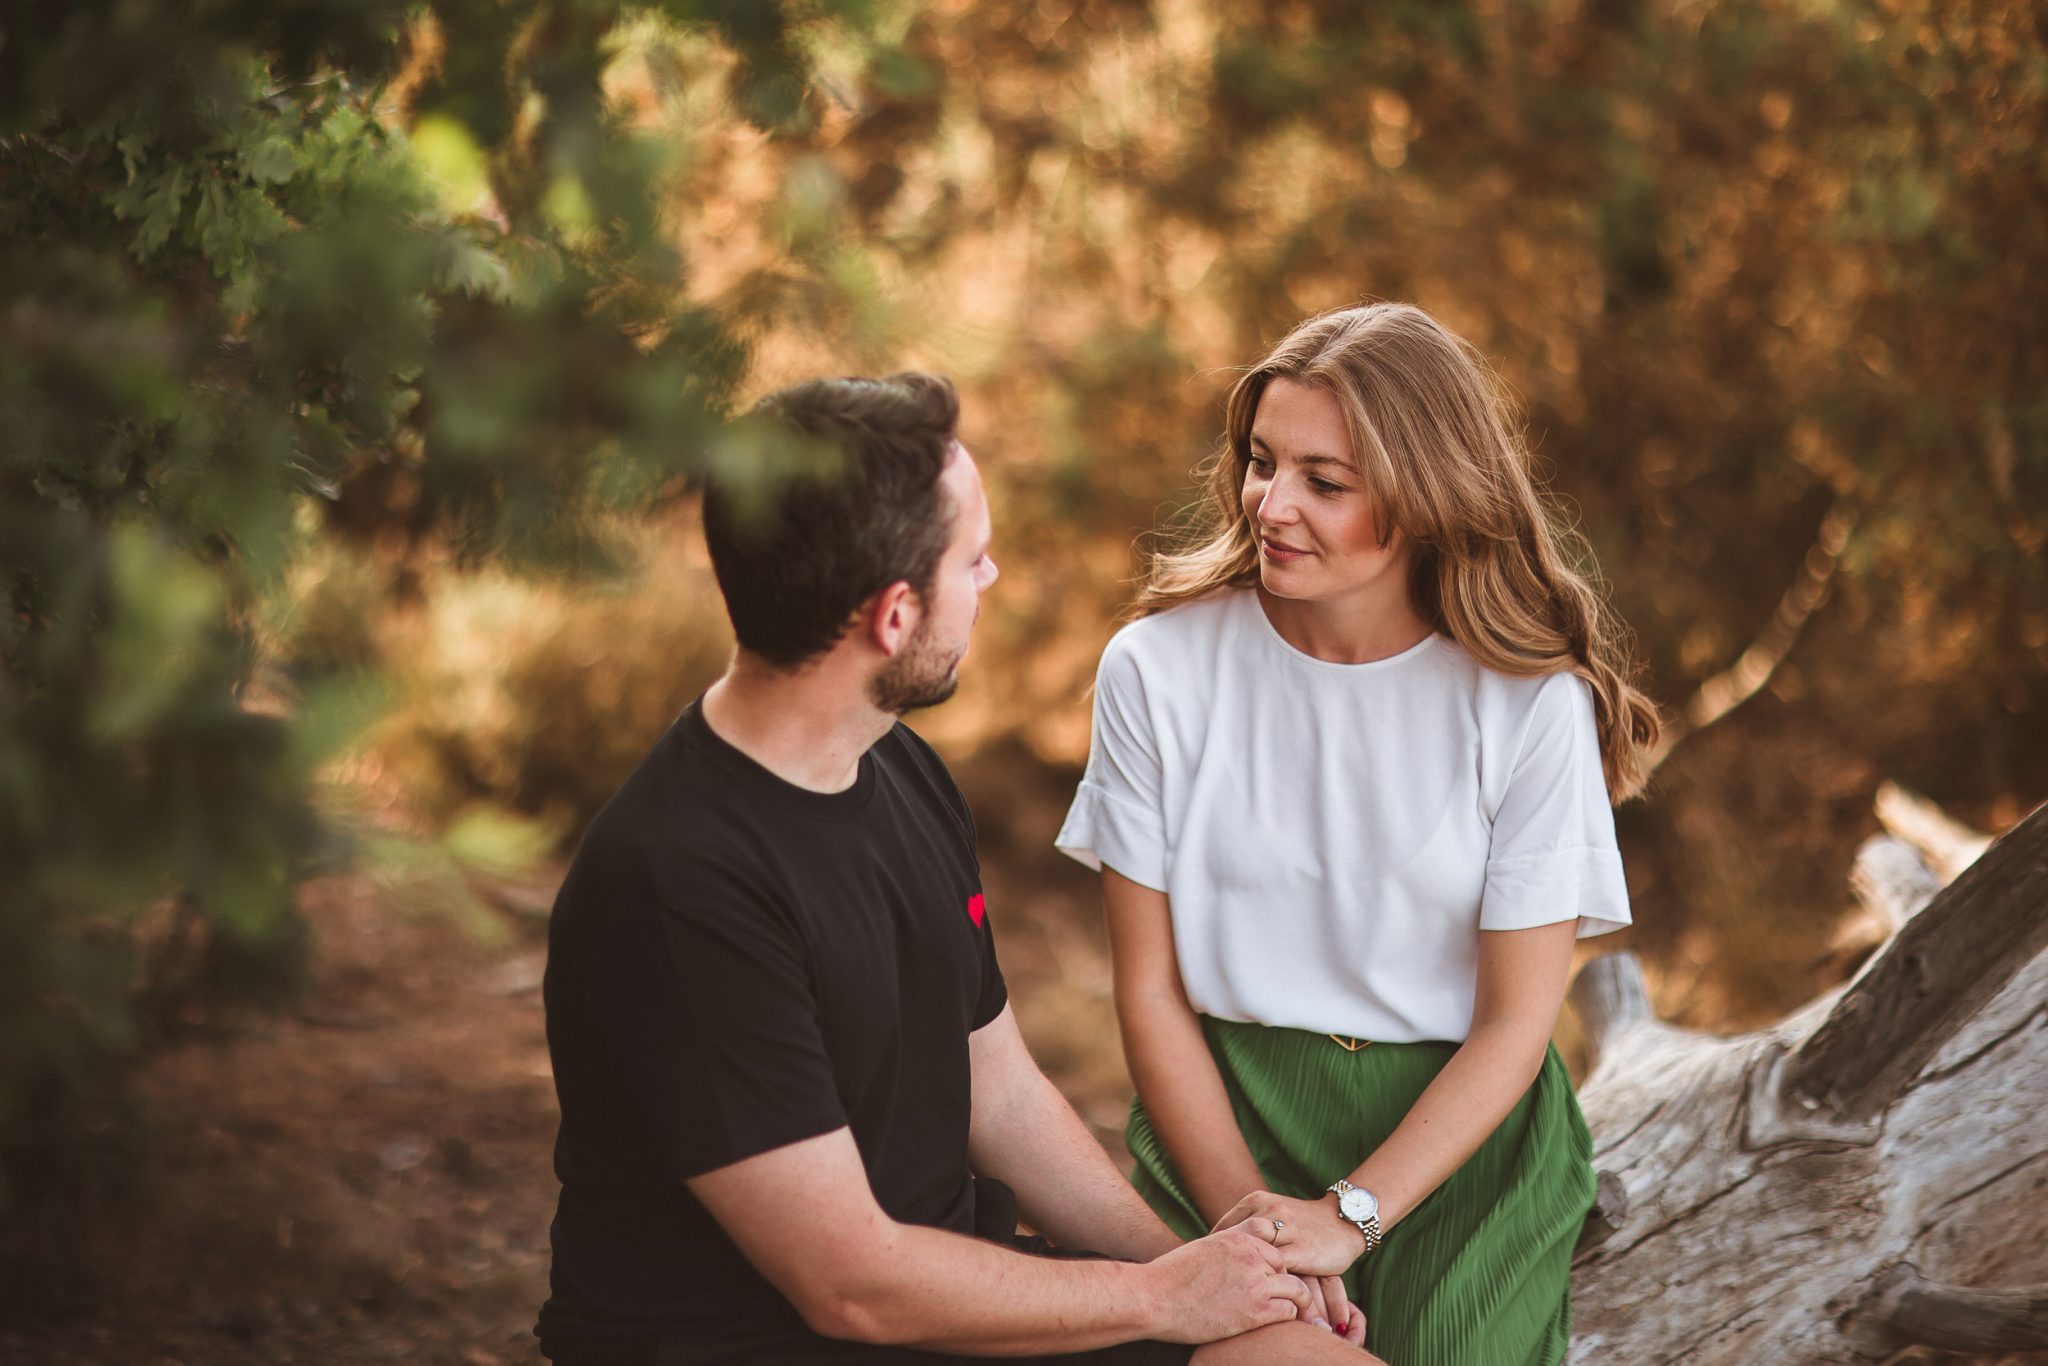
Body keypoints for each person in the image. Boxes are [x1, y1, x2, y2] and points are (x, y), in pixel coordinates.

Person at [535, 372, 1383, 1365]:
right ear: (891, 616)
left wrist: (1222, 1277)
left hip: (951, 1301)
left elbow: (999, 1092)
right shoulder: (680, 884)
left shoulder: (894, 761)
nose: (990, 580)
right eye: (971, 560)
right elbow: (851, 1286)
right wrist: (1157, 1297)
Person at [1055, 304, 1662, 1366]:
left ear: (1427, 498)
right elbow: (1147, 990)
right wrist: (1253, 1222)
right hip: (1225, 1118)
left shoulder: (1526, 704)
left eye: (1323, 483)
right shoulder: (1155, 671)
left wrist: (1352, 1213)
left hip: (1463, 1146)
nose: (1270, 505)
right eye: (1259, 462)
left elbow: (1516, 1025)